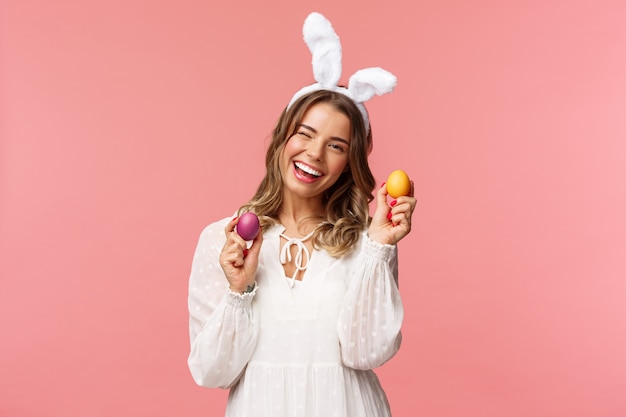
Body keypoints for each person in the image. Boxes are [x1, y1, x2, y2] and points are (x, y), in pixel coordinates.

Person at [187, 12, 417, 417]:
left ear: (350, 162)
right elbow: (211, 373)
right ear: (282, 139)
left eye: (336, 145)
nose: (313, 154)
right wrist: (239, 291)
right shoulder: (224, 241)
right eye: (305, 134)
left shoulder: (369, 242)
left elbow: (366, 352)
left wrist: (380, 246)